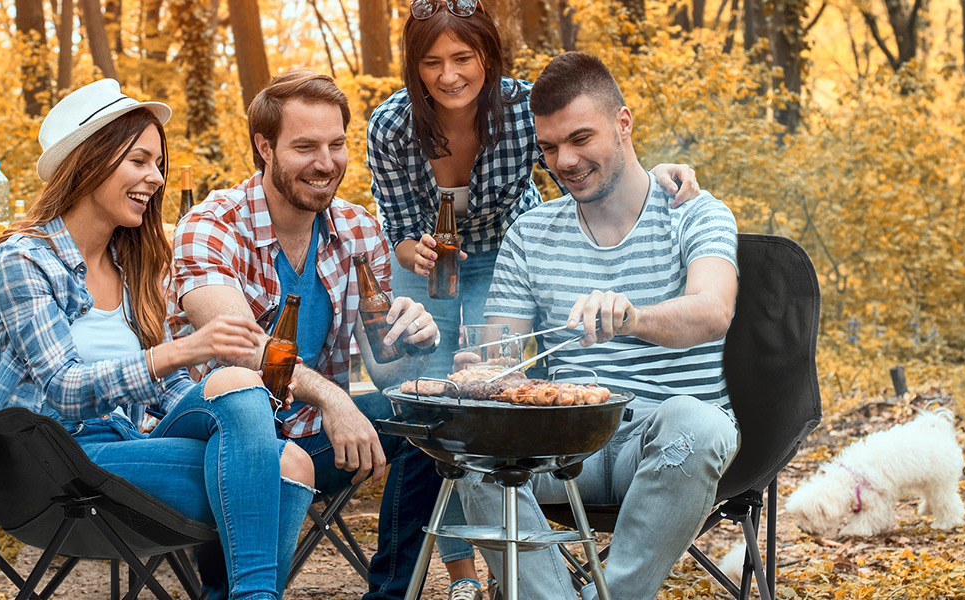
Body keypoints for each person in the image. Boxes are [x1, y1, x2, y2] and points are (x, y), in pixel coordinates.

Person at [365, 4, 702, 598]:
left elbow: (582, 175)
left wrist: (661, 173)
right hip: (429, 259)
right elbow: (394, 224)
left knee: (513, 393)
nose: (449, 76)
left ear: (488, 58)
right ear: (413, 68)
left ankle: (521, 552)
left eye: (463, 58)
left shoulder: (522, 110)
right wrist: (408, 250)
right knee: (437, 409)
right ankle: (454, 576)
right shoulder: (393, 126)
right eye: (432, 62)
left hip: (509, 247)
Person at [0, 79, 314, 600]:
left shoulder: (131, 263)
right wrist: (182, 348)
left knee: (254, 405)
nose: (155, 179)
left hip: (127, 442)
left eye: (157, 163)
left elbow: (167, 390)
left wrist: (244, 395)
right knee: (276, 470)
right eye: (139, 161)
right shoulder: (22, 260)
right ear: (90, 161)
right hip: (53, 463)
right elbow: (62, 389)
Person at [452, 52, 741, 600]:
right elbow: (503, 359)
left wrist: (632, 316)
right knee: (467, 443)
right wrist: (483, 372)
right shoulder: (530, 234)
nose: (564, 160)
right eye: (549, 147)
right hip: (563, 441)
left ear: (623, 123)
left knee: (700, 425)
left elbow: (713, 310)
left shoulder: (695, 213)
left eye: (581, 138)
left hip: (663, 443)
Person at [170, 69, 443, 600]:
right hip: (216, 443)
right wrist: (332, 397)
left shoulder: (358, 229)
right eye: (305, 146)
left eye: (337, 144)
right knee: (248, 430)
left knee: (427, 415)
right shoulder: (210, 226)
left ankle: (390, 595)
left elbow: (384, 366)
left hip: (311, 438)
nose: (326, 163)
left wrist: (416, 342)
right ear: (264, 147)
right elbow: (239, 345)